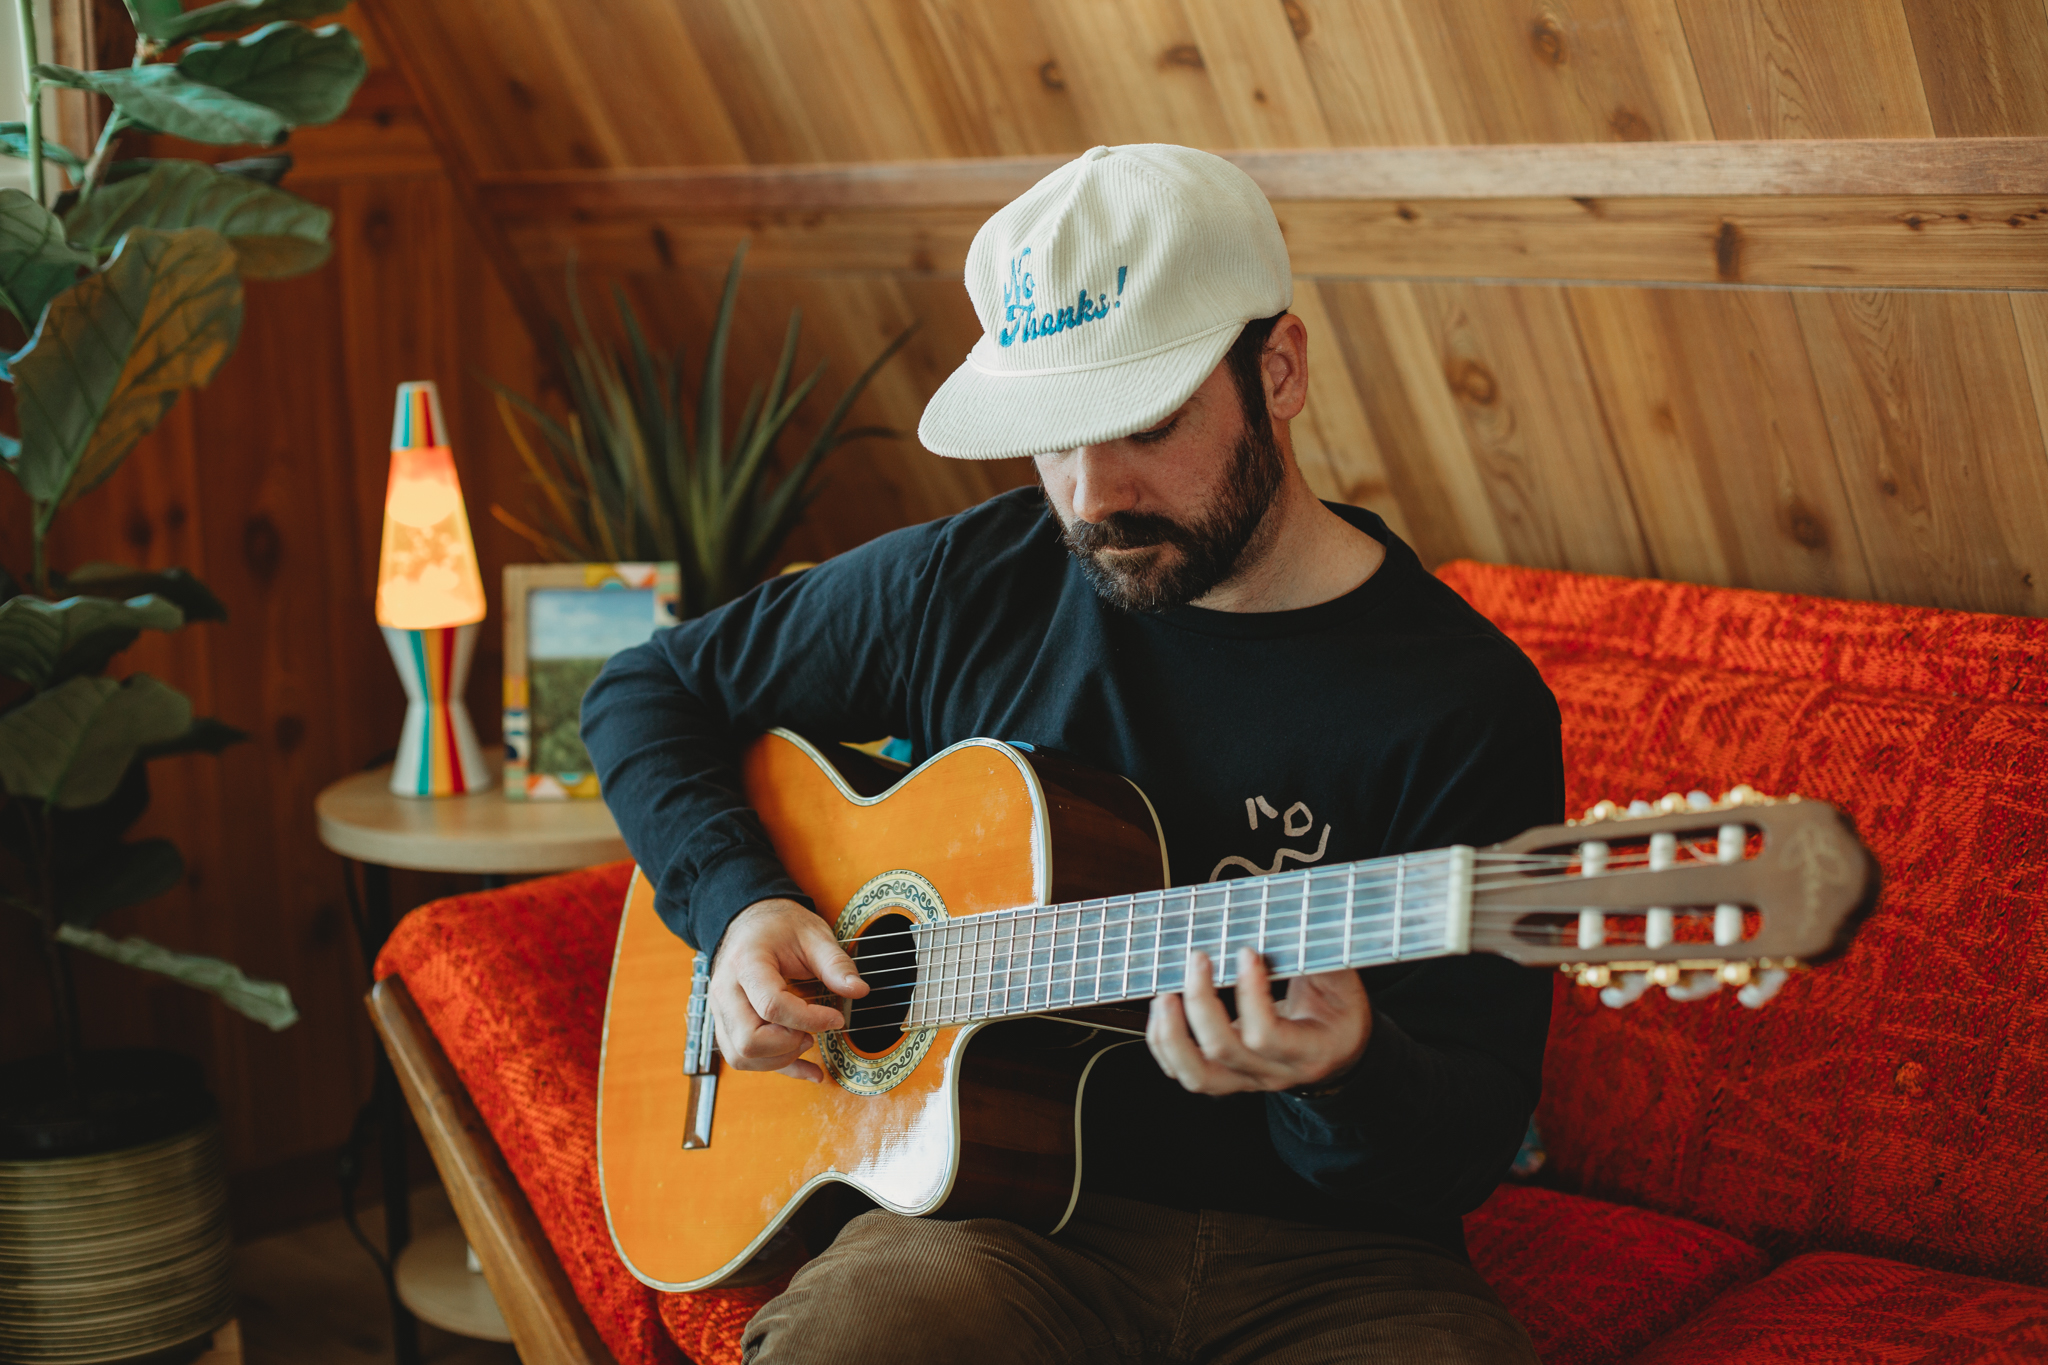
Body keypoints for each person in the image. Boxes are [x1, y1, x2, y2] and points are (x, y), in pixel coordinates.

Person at [582, 143, 1562, 1365]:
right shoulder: (972, 579)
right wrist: (738, 905)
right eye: (1051, 435)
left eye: (1143, 423)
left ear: (1279, 370)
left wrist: (1344, 1070)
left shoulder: (1463, 703)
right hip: (982, 1232)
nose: (1091, 493)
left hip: (1335, 1262)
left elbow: (1459, 1142)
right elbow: (646, 688)